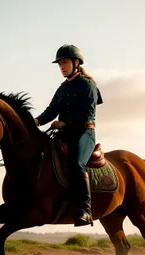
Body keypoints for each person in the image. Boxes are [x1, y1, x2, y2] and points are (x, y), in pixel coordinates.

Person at [34, 44, 103, 227]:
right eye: (59, 64)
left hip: (85, 133)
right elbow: (50, 111)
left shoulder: (88, 84)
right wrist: (36, 121)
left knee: (77, 164)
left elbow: (87, 114)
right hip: (64, 134)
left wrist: (65, 122)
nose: (61, 67)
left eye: (64, 62)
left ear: (76, 62)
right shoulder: (62, 88)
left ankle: (85, 210)